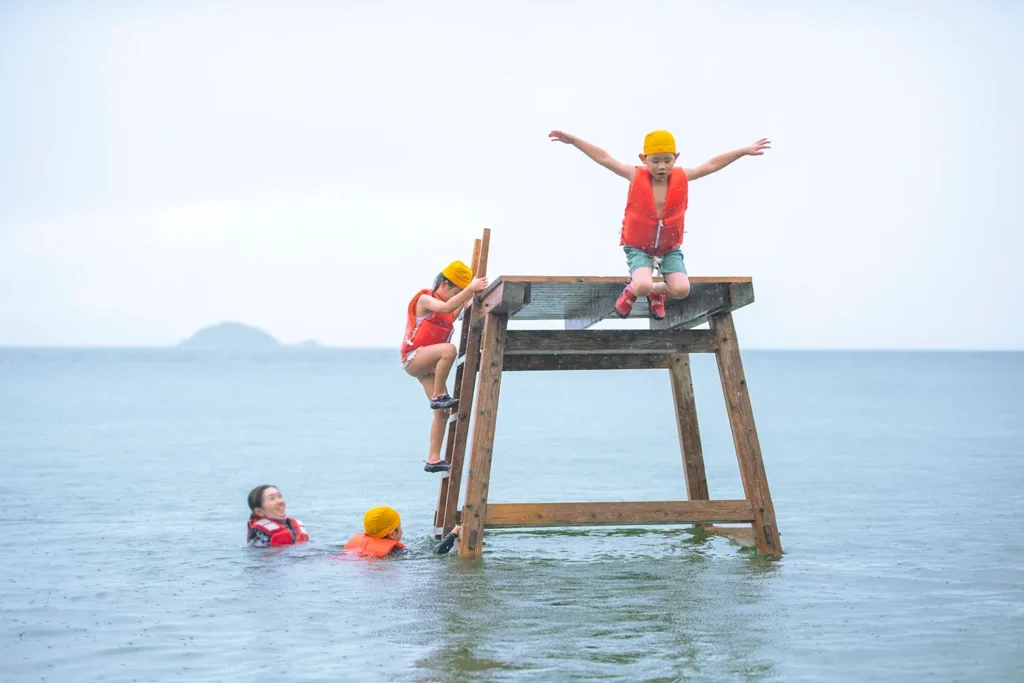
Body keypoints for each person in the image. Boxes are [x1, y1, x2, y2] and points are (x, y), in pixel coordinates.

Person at [548, 129, 770, 320]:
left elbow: (712, 164)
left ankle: (658, 294)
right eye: (655, 161)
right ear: (643, 158)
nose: (662, 167)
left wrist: (743, 151)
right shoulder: (634, 175)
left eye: (667, 160)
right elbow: (604, 158)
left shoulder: (684, 176)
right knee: (642, 285)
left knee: (682, 289)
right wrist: (574, 141)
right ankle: (631, 292)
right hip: (638, 247)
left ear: (676, 157)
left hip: (669, 250)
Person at [401, 260, 488, 473]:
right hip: (414, 358)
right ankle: (439, 394)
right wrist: (470, 288)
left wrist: (470, 294)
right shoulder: (425, 299)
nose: (457, 295)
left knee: (442, 414)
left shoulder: (448, 304)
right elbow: (449, 306)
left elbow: (456, 307)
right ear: (444, 285)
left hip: (427, 365)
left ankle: (433, 459)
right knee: (449, 349)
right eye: (456, 291)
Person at [343, 505, 461, 557]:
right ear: (393, 534)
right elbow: (435, 553)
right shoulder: (396, 552)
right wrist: (453, 534)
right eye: (399, 526)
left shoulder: (358, 548)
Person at [246, 484, 310, 547]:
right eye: (272, 498)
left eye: (280, 496)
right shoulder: (259, 535)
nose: (280, 501)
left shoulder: (291, 526)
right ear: (259, 512)